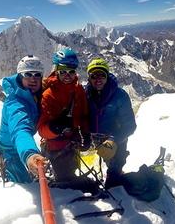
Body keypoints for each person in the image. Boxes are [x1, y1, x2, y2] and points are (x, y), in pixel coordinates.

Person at [38, 49, 96, 193]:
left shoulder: (78, 90)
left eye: (70, 71)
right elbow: (42, 128)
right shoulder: (48, 95)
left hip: (73, 142)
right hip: (56, 146)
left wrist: (86, 135)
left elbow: (83, 115)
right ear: (56, 71)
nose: (67, 76)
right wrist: (56, 127)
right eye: (63, 71)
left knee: (72, 170)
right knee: (65, 180)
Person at [85, 58, 137, 189]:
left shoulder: (120, 96)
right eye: (94, 76)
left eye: (101, 75)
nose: (98, 79)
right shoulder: (84, 93)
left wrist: (113, 140)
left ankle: (114, 174)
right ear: (89, 78)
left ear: (107, 76)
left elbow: (130, 126)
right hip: (92, 137)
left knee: (113, 181)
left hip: (114, 139)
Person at [0, 55, 47, 183]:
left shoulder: (37, 94)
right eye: (28, 74)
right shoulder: (14, 103)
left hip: (20, 146)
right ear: (20, 76)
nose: (33, 79)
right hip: (9, 151)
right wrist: (30, 154)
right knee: (26, 185)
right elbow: (20, 130)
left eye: (37, 75)